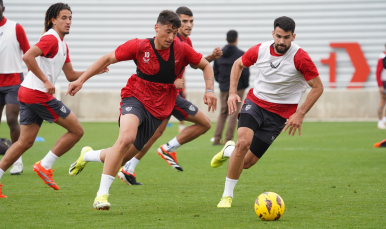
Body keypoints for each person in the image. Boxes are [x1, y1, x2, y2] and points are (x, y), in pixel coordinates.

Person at [66, 10, 216, 210]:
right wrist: (80, 79)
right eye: (167, 31)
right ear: (157, 28)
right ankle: (101, 195)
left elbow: (206, 65)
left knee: (123, 157)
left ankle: (88, 155)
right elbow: (107, 59)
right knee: (126, 138)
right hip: (135, 97)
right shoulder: (139, 46)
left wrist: (209, 90)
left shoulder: (181, 49)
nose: (171, 37)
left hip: (160, 108)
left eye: (174, 32)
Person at [210, 16, 323, 208]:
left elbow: (318, 87)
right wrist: (231, 93)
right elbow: (238, 64)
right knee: (243, 142)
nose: (281, 41)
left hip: (279, 115)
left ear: (293, 36)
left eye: (286, 37)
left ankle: (229, 150)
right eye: (278, 36)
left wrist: (300, 113)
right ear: (273, 34)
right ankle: (226, 196)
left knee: (246, 162)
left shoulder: (300, 58)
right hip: (255, 103)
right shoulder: (260, 50)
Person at [0, 3, 104, 198]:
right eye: (64, 18)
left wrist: (94, 71)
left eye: (70, 18)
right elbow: (27, 56)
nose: (68, 22)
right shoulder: (50, 39)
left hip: (27, 92)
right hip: (37, 94)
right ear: (52, 20)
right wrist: (46, 80)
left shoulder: (62, 44)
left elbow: (71, 75)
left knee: (24, 142)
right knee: (76, 131)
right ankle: (44, 165)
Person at [115, 6, 221, 185]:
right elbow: (156, 70)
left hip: (172, 96)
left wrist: (209, 57)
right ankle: (163, 150)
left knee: (156, 133)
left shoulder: (186, 43)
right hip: (164, 95)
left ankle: (127, 166)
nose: (188, 25)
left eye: (191, 21)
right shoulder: (170, 40)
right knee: (202, 123)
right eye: (184, 21)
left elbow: (195, 64)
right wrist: (172, 84)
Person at [0, 0, 30, 175]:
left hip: (13, 81)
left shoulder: (15, 27)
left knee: (12, 119)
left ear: (3, 8)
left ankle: (17, 160)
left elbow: (28, 53)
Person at [212, 30, 250, 145]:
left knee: (223, 112)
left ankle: (217, 138)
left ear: (226, 39)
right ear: (236, 39)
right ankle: (228, 139)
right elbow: (245, 73)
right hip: (238, 88)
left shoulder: (219, 54)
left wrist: (222, 83)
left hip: (223, 88)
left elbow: (215, 71)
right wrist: (244, 85)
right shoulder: (241, 54)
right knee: (233, 113)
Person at [376, 45, 386, 129]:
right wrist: (380, 85)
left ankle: (384, 121)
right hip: (384, 82)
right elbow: (378, 72)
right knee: (382, 102)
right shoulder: (382, 57)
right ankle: (380, 121)